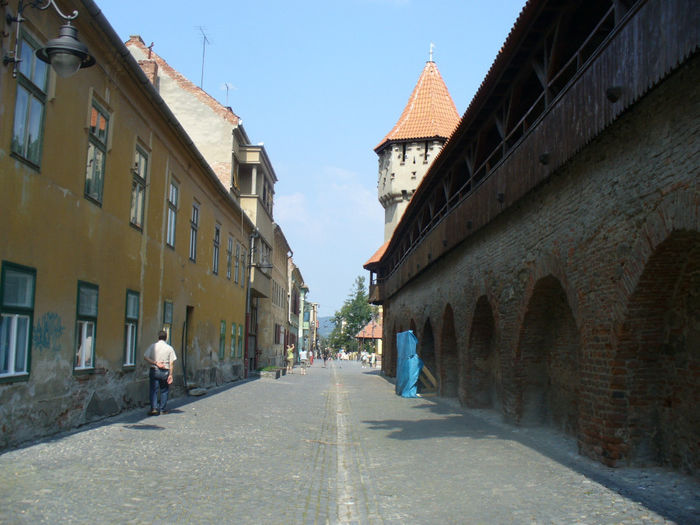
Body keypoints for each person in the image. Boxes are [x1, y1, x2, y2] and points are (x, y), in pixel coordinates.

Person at [144, 330, 177, 416]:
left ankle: (154, 408)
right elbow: (171, 363)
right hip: (165, 371)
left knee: (153, 390)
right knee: (164, 390)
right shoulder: (169, 348)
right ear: (166, 338)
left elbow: (146, 356)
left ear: (158, 337)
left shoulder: (153, 346)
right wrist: (170, 374)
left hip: (154, 370)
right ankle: (162, 409)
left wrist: (155, 362)